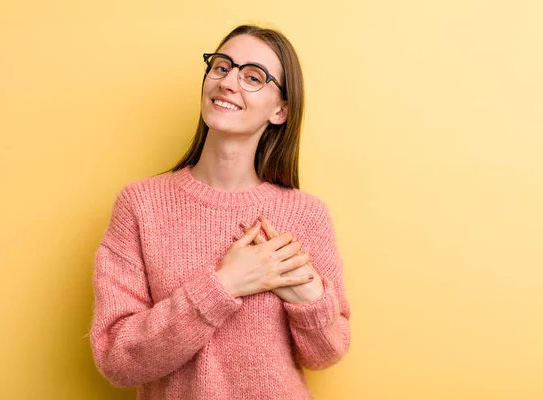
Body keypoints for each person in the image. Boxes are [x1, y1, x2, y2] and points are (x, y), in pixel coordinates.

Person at [89, 24, 351, 400]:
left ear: (280, 110)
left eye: (253, 77)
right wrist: (225, 285)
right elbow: (117, 359)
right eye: (222, 67)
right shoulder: (140, 205)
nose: (229, 82)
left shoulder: (306, 214)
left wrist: (308, 295)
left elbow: (327, 353)